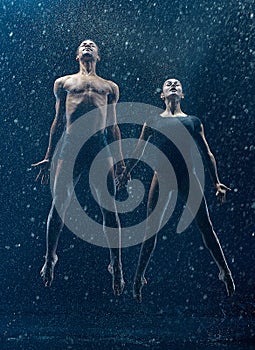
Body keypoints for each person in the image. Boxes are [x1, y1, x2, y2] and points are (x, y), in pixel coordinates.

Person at [127, 78, 235, 302]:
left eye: (177, 83)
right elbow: (139, 149)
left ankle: (225, 272)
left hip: (188, 176)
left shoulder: (193, 121)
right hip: (162, 176)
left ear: (182, 94)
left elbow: (207, 153)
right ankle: (138, 277)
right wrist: (127, 171)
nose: (173, 85)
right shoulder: (153, 120)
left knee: (206, 226)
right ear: (162, 95)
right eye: (168, 84)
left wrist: (216, 182)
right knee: (151, 230)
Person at [32, 40, 126, 296]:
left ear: (98, 55)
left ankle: (116, 264)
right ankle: (50, 257)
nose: (87, 45)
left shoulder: (109, 87)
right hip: (71, 143)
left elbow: (114, 125)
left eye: (92, 44)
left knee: (109, 206)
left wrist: (119, 160)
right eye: (83, 44)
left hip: (99, 143)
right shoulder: (63, 83)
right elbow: (58, 120)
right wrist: (49, 155)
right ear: (77, 55)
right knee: (59, 203)